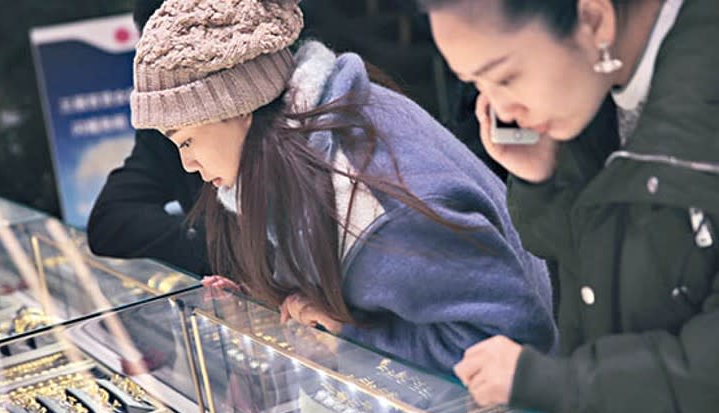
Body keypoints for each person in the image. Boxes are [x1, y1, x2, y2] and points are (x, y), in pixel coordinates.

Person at [129, 0, 557, 375]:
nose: (188, 163)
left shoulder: (371, 201)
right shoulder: (320, 129)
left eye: (185, 140)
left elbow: (509, 342)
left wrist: (350, 338)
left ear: (236, 108)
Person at [422, 0, 719, 413]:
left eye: (504, 77)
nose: (500, 109)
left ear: (595, 18)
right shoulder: (601, 98)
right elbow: (630, 288)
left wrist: (547, 384)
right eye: (477, 86)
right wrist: (547, 182)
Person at [87, 0, 211, 276]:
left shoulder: (298, 113)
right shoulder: (164, 124)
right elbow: (110, 221)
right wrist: (216, 247)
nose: (189, 162)